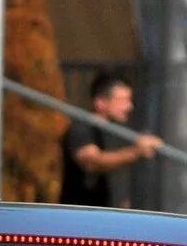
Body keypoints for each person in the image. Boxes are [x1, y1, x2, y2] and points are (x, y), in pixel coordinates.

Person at [59, 72, 160, 208]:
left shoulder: (117, 133)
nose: (130, 107)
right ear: (100, 102)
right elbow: (92, 162)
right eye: (123, 100)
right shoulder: (81, 128)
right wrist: (136, 152)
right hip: (81, 215)